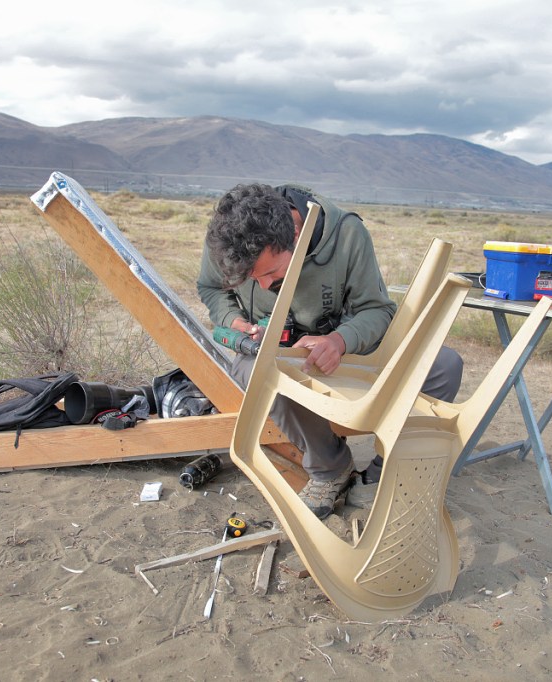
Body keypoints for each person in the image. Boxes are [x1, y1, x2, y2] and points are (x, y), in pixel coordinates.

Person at [197, 183, 463, 519]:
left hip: (343, 344)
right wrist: (233, 319)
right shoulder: (228, 239)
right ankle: (330, 469)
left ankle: (385, 468)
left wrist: (340, 340)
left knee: (443, 366)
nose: (262, 285)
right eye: (250, 278)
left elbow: (377, 310)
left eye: (271, 273)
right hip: (277, 349)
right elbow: (210, 288)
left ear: (295, 236)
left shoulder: (347, 234)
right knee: (256, 371)